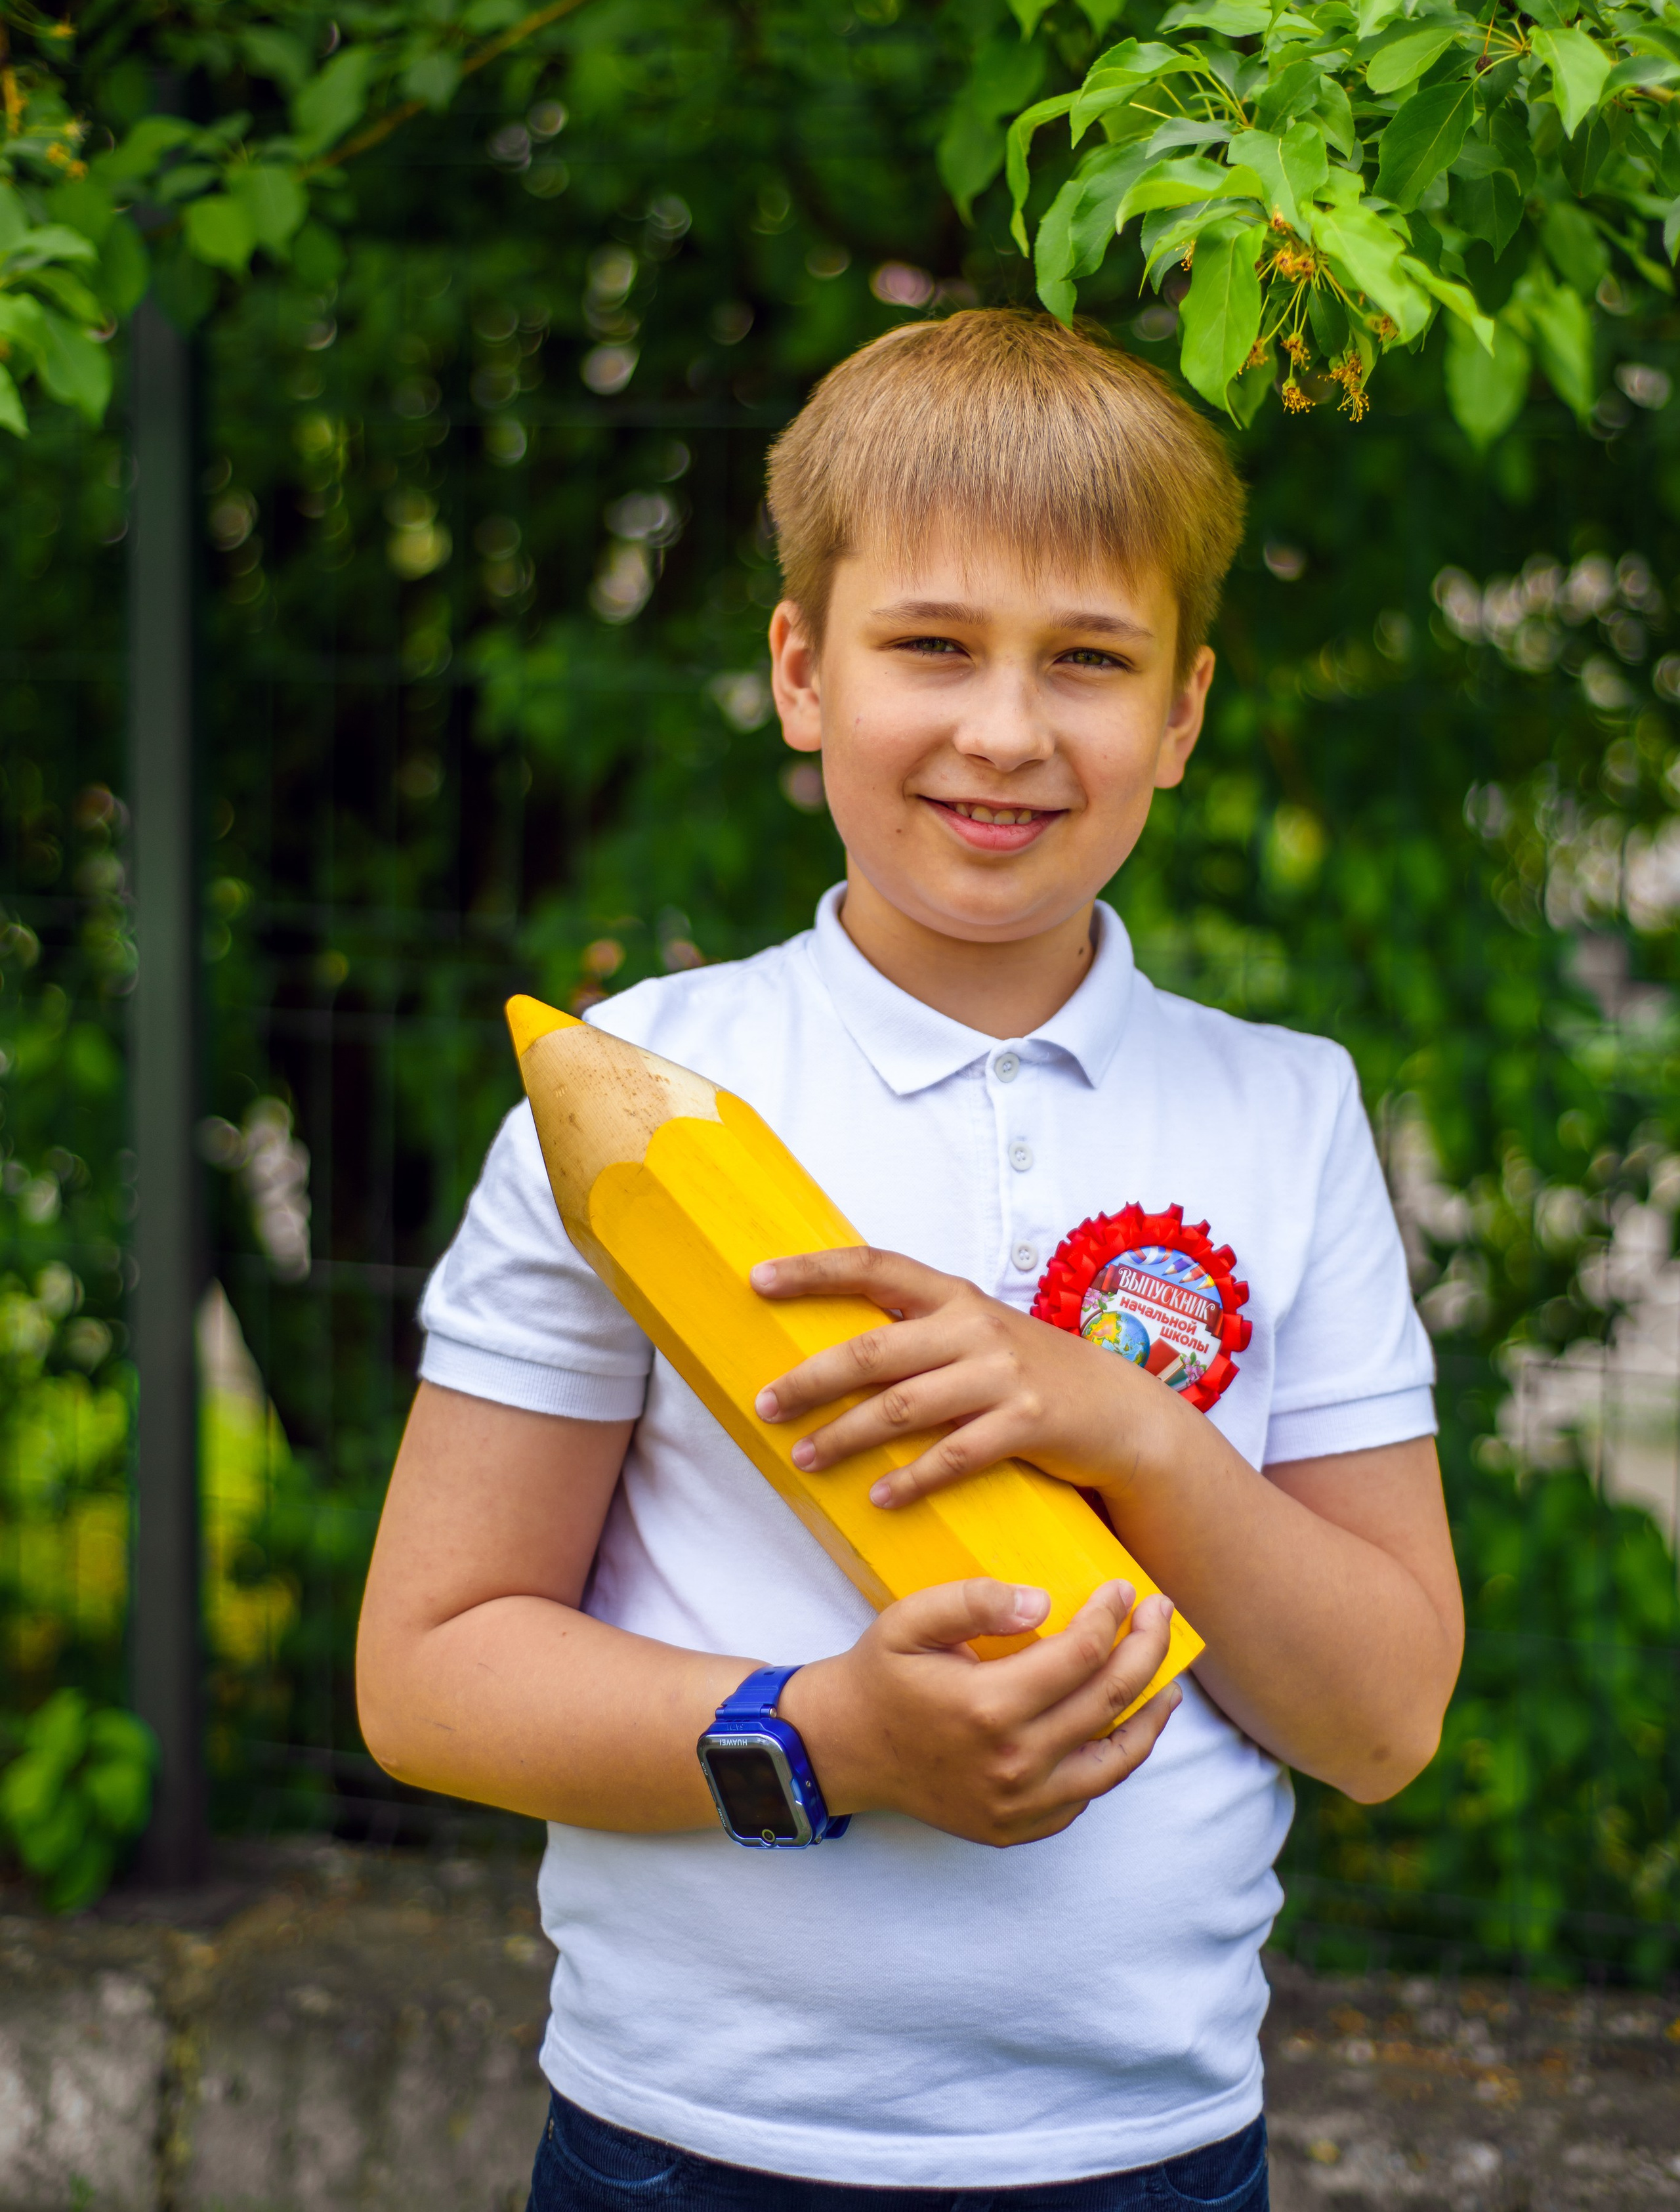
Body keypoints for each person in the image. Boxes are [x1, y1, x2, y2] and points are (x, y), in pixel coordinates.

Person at [356, 310, 1463, 2212]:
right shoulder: (634, 1096)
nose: (1008, 729)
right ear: (800, 668)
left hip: (1153, 2157)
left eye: (1090, 663)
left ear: (1183, 716)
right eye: (932, 645)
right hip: (690, 2150)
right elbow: (432, 1674)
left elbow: (1381, 1722)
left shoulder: (1286, 1113)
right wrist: (830, 1735)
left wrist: (1127, 1425)